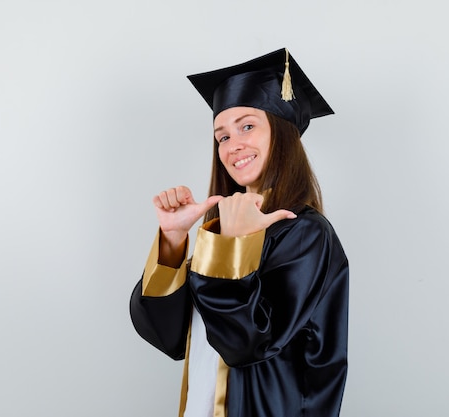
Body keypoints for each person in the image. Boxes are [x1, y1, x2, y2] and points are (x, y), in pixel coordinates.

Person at [130, 48, 349, 417]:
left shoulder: (306, 233)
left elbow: (246, 345)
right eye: (222, 137)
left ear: (281, 132)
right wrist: (172, 242)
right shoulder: (221, 231)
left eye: (247, 126)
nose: (233, 146)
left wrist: (232, 246)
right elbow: (169, 339)